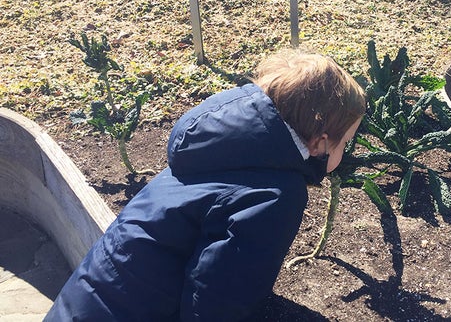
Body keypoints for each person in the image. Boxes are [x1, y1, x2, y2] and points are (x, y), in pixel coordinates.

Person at [45, 50, 367, 321]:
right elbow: (218, 298)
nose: (346, 151)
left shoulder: (222, 144)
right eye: (346, 144)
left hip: (88, 301)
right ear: (320, 143)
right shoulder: (277, 194)